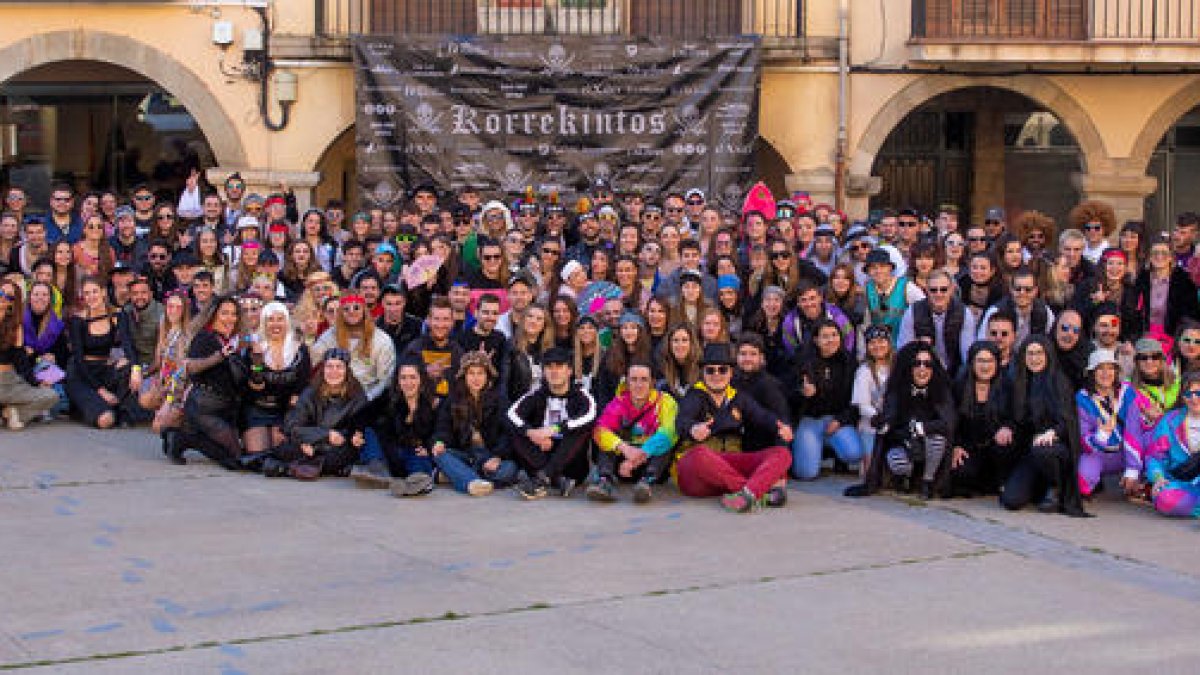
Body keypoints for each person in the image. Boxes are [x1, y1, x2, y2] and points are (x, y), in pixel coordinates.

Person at [674, 343, 794, 512]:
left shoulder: (739, 398)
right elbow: (682, 421)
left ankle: (746, 495)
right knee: (698, 455)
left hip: (729, 466)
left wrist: (780, 427)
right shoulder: (694, 395)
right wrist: (693, 429)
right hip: (698, 474)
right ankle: (757, 490)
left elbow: (762, 416)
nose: (716, 375)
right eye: (710, 370)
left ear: (731, 372)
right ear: (703, 373)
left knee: (782, 453)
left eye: (722, 370)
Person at [1000, 336, 1090, 517]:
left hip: (1055, 449)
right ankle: (1036, 487)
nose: (1035, 358)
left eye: (1039, 353)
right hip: (1030, 450)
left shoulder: (1059, 381)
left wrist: (1052, 433)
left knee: (1043, 450)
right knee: (1011, 501)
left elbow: (1068, 422)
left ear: (1048, 354)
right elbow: (1015, 418)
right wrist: (1007, 427)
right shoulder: (1018, 381)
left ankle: (1055, 488)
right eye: (1030, 353)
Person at [851, 343, 956, 499]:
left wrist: (922, 428)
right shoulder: (897, 390)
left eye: (928, 364)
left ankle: (928, 482)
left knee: (937, 439)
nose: (922, 369)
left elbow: (949, 423)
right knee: (896, 460)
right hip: (905, 445)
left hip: (931, 448)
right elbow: (890, 422)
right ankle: (906, 478)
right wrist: (887, 425)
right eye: (916, 363)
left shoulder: (941, 390)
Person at [424, 350, 519, 497]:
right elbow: (442, 428)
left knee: (509, 470)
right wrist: (439, 442)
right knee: (440, 455)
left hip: (490, 455)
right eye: (471, 373)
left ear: (488, 375)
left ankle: (455, 475)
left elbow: (508, 434)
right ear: (464, 376)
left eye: (480, 373)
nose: (476, 378)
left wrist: (497, 457)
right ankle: (472, 482)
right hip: (465, 454)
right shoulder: (453, 399)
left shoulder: (500, 400)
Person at [163, 296, 243, 469]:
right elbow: (190, 367)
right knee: (235, 459)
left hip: (226, 406)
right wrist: (219, 356)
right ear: (214, 315)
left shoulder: (233, 340)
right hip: (204, 405)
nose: (230, 318)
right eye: (225, 313)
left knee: (233, 455)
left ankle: (183, 437)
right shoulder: (205, 337)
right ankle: (178, 438)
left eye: (234, 314)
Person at [507, 346, 597, 499]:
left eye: (559, 366)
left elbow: (590, 416)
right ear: (544, 371)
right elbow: (511, 414)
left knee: (581, 430)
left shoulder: (582, 395)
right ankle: (556, 480)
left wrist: (554, 429)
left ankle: (543, 478)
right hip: (540, 457)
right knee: (517, 431)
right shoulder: (536, 394)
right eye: (549, 367)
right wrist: (531, 433)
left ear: (569, 371)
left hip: (572, 465)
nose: (554, 371)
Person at [262, 349, 366, 480]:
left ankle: (288, 468)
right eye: (329, 366)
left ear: (347, 370)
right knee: (287, 449)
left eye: (339, 367)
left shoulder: (357, 395)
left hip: (336, 447)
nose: (334, 372)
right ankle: (311, 466)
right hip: (308, 441)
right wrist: (324, 436)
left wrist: (318, 448)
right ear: (323, 369)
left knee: (344, 455)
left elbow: (355, 429)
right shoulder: (310, 392)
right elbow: (292, 427)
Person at [588, 360, 679, 503]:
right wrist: (623, 448)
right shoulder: (619, 402)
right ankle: (604, 482)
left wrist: (639, 455)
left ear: (652, 382)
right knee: (606, 442)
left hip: (651, 462)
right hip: (623, 461)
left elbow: (669, 432)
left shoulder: (665, 402)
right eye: (634, 379)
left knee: (665, 444)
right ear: (627, 382)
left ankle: (645, 484)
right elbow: (600, 430)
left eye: (644, 380)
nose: (639, 385)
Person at [235, 302, 311, 463]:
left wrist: (289, 420)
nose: (275, 324)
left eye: (280, 319)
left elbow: (302, 387)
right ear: (264, 323)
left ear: (287, 322)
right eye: (270, 320)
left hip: (285, 411)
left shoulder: (300, 350)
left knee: (280, 452)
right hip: (257, 407)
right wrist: (257, 362)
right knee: (257, 455)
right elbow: (254, 389)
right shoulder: (254, 349)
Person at [791, 318, 863, 480]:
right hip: (810, 420)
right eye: (825, 336)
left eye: (834, 335)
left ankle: (826, 446)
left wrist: (840, 420)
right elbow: (789, 396)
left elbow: (855, 402)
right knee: (806, 474)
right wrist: (803, 393)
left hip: (836, 419)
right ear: (816, 340)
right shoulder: (803, 361)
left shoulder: (849, 363)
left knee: (854, 454)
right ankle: (812, 447)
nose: (831, 340)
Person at [64, 277, 140, 428]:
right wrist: (102, 391)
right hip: (81, 374)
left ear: (103, 292)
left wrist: (136, 368)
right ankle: (85, 408)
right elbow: (79, 360)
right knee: (106, 420)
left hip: (104, 368)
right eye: (86, 293)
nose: (91, 296)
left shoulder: (117, 316)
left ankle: (122, 410)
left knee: (127, 366)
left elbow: (128, 345)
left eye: (94, 291)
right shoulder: (77, 320)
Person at [949, 343, 1015, 497]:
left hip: (998, 449)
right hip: (969, 447)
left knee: (1005, 444)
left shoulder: (1007, 386)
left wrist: (1007, 427)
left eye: (990, 361)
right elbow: (952, 420)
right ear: (972, 363)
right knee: (961, 473)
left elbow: (1016, 417)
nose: (985, 366)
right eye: (980, 361)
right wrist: (955, 445)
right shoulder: (960, 386)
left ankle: (1001, 481)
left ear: (997, 363)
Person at [1075, 349, 1139, 498]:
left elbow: (1134, 431)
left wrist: (1133, 469)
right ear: (1092, 372)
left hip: (1124, 452)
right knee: (1083, 484)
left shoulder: (1127, 392)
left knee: (1140, 476)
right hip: (1098, 453)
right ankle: (1095, 481)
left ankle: (1138, 481)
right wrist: (1101, 435)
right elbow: (1083, 438)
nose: (1106, 373)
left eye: (1110, 368)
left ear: (1116, 371)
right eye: (1100, 368)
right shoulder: (1082, 398)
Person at [896, 270, 975, 376]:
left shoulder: (964, 313)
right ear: (926, 291)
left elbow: (967, 354)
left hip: (954, 371)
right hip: (922, 370)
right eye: (933, 290)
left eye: (943, 289)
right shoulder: (912, 312)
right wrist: (918, 345)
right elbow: (903, 352)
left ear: (951, 290)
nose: (938, 294)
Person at [0, 285, 58, 428]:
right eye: (1, 292)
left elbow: (20, 360)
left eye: (9, 296)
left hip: (9, 380)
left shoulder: (15, 326)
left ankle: (12, 413)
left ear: (13, 303)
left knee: (51, 395)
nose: (3, 297)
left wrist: (36, 382)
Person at [1145, 371, 1200, 518]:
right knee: (1165, 499)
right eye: (1188, 394)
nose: (1194, 398)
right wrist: (1157, 478)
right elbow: (1155, 456)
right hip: (1179, 482)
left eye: (1198, 393)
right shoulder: (1169, 421)